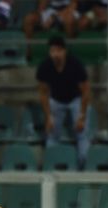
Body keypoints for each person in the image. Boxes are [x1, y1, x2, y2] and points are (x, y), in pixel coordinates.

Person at [37, 36, 91, 168]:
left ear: (64, 51)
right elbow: (43, 93)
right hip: (56, 100)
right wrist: (48, 116)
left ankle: (83, 165)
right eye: (52, 51)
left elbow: (86, 92)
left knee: (82, 134)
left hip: (75, 99)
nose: (55, 54)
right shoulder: (45, 66)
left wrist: (82, 116)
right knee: (52, 134)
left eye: (58, 51)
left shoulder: (75, 64)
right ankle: (51, 165)